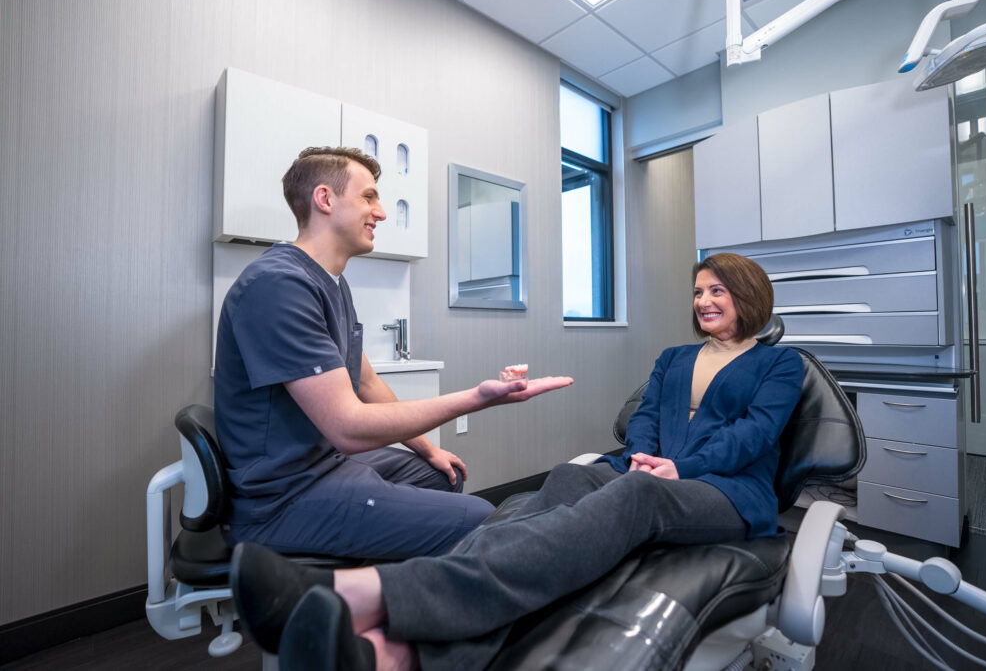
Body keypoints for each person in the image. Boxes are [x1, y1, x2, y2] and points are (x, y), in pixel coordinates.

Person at [229, 252, 805, 671]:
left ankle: (368, 592)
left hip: (725, 490)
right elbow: (645, 418)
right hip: (649, 466)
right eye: (699, 291)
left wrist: (679, 469)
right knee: (567, 476)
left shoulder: (780, 365)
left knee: (636, 495)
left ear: (747, 298)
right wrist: (644, 454)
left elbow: (754, 435)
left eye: (717, 292)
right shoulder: (674, 356)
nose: (703, 301)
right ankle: (395, 652)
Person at [214, 146, 573, 578]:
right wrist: (477, 398)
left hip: (325, 466)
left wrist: (428, 447)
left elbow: (366, 383)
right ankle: (381, 610)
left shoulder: (332, 284)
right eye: (368, 197)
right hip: (281, 497)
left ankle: (384, 583)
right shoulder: (278, 285)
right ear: (325, 200)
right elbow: (347, 427)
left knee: (446, 476)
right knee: (480, 517)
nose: (381, 213)